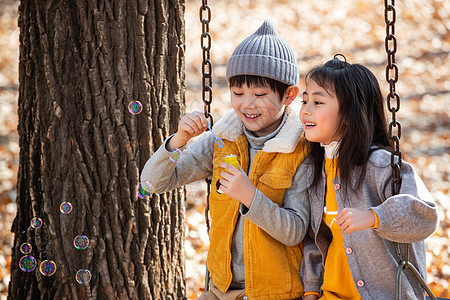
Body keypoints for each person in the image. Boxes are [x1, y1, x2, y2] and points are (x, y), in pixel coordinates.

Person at [141, 20, 310, 299]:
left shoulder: (299, 149)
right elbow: (152, 182)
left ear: (289, 95)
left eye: (259, 94)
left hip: (274, 293)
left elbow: (295, 231)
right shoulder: (223, 139)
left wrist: (249, 196)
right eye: (238, 93)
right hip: (220, 290)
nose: (247, 104)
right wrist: (179, 140)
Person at [299, 54, 439, 300]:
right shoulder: (316, 169)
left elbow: (425, 217)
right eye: (305, 101)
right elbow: (316, 239)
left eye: (318, 103)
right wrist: (311, 290)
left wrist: (374, 217)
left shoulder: (382, 165)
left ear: (348, 115)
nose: (305, 111)